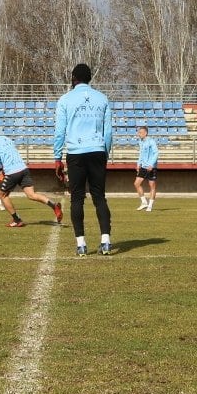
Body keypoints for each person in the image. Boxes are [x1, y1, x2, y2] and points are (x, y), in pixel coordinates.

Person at [53, 63, 114, 255]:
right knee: (99, 197)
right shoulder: (102, 98)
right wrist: (105, 153)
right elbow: (109, 132)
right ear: (89, 78)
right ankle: (105, 240)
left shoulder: (65, 99)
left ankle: (81, 243)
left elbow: (59, 131)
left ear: (73, 78)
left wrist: (57, 157)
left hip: (76, 152)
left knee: (77, 199)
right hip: (97, 151)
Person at [0, 123, 63, 227]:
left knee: (2, 195)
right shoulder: (7, 139)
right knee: (31, 195)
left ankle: (17, 220)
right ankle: (53, 205)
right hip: (23, 168)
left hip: (12, 171)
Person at [134, 125, 158, 212]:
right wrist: (138, 164)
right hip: (143, 166)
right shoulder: (141, 142)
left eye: (140, 132)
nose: (138, 134)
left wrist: (151, 164)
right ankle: (144, 202)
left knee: (152, 186)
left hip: (151, 167)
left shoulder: (151, 141)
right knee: (136, 183)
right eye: (138, 132)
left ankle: (150, 206)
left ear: (145, 133)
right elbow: (141, 153)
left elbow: (156, 153)